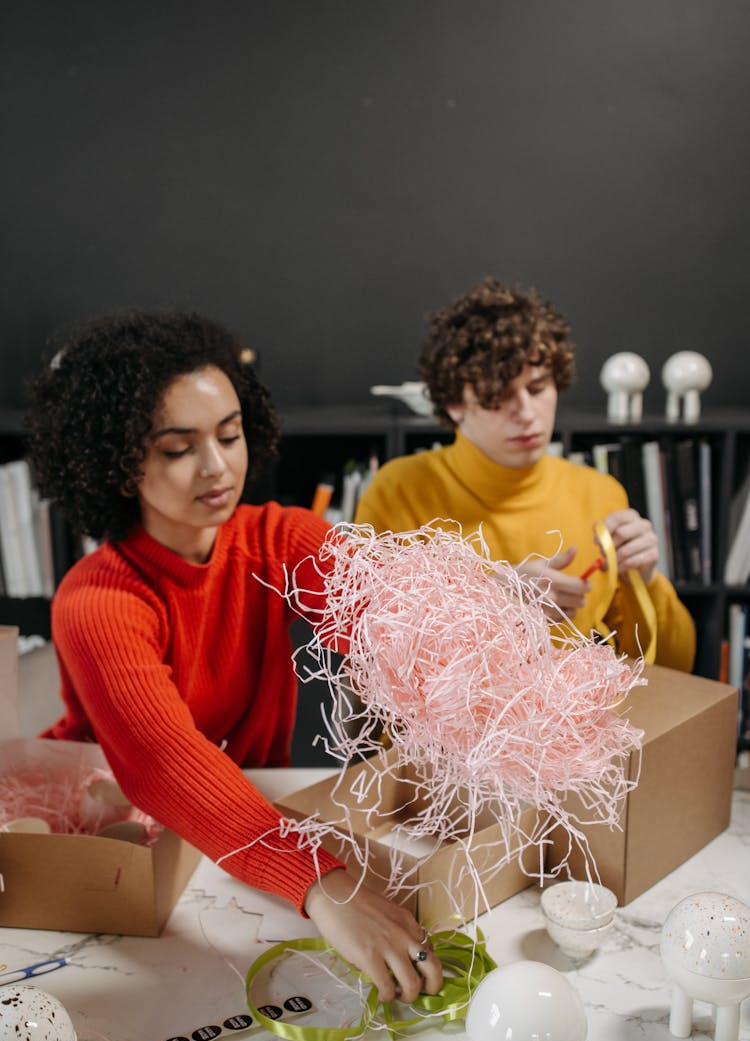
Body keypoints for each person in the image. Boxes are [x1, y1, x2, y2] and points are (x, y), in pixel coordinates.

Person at [26, 310, 441, 1002]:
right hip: (118, 831)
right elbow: (166, 764)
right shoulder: (95, 600)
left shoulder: (278, 538)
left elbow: (384, 610)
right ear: (118, 460)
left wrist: (493, 608)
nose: (218, 466)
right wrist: (324, 882)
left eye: (229, 433)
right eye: (178, 447)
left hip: (250, 821)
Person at [355, 278, 695, 671]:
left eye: (538, 387)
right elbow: (370, 659)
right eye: (498, 396)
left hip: (571, 727)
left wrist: (649, 580)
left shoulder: (599, 494)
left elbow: (675, 665)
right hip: (437, 731)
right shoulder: (400, 490)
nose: (527, 413)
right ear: (453, 403)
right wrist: (492, 603)